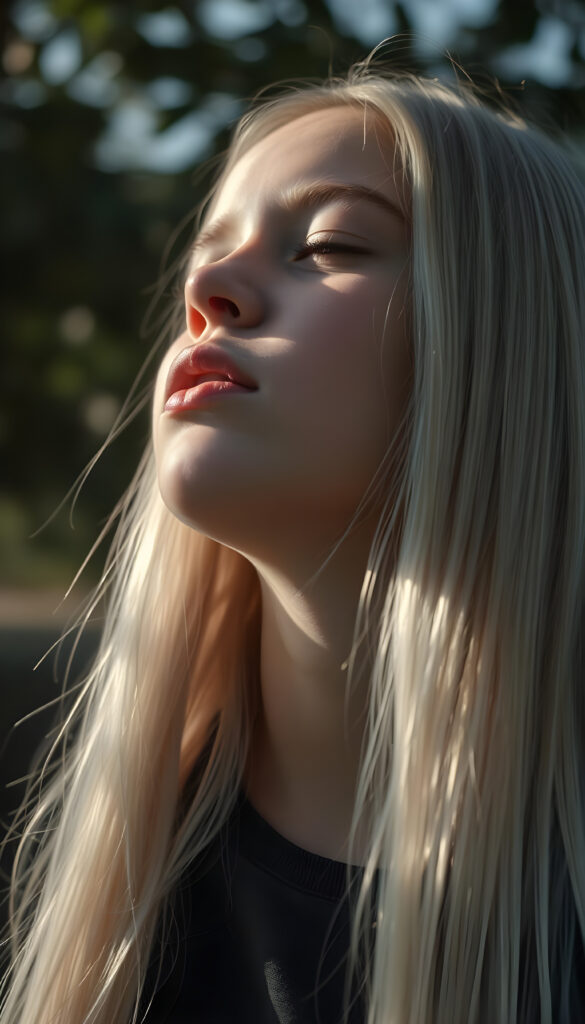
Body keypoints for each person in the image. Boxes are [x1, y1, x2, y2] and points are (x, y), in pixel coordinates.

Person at [1, 50, 585, 1024]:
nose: (211, 288)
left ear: (505, 356)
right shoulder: (103, 918)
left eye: (330, 244)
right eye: (210, 252)